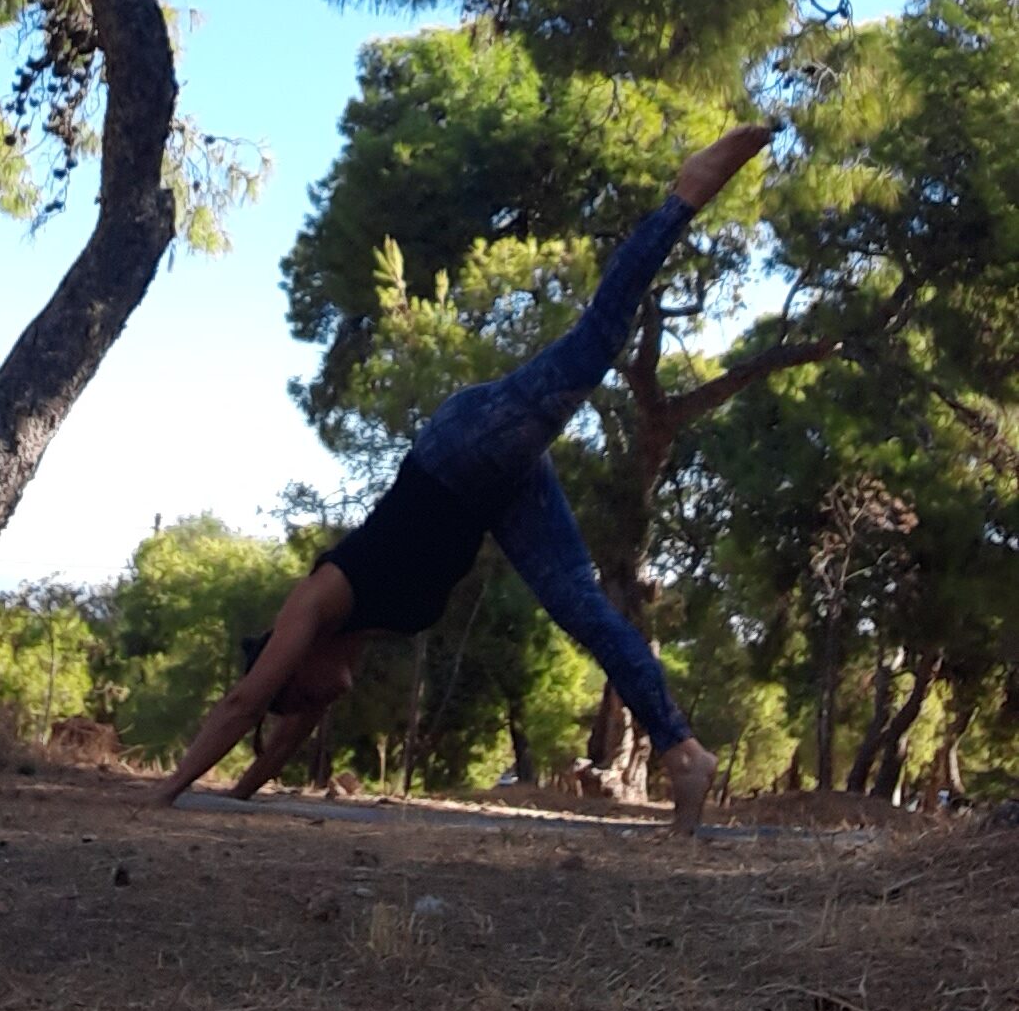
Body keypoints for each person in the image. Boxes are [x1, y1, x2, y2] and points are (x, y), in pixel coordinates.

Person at [157, 122, 775, 831]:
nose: (316, 706)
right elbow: (280, 740)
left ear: (292, 664)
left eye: (298, 695)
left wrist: (164, 794)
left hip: (465, 447)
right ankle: (684, 755)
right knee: (585, 610)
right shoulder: (343, 644)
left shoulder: (315, 601)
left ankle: (686, 195)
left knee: (595, 342)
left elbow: (244, 707)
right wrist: (232, 799)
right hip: (493, 492)